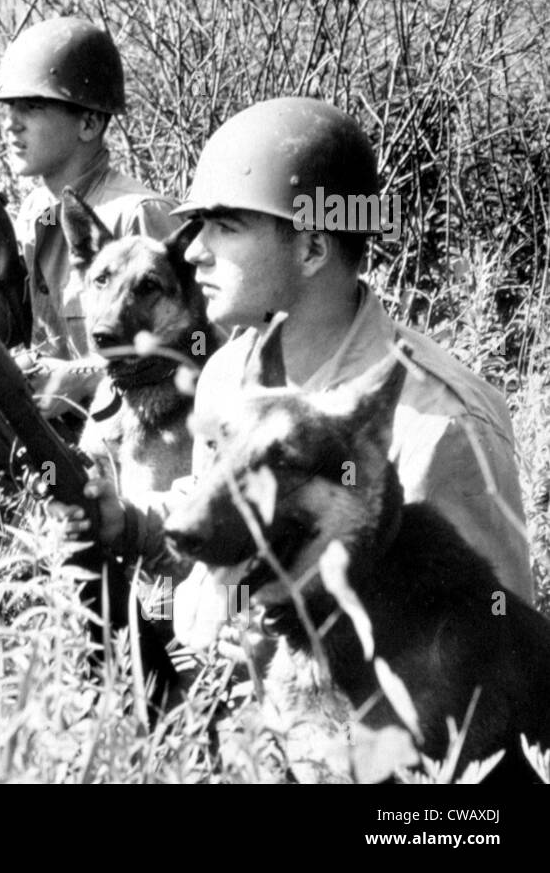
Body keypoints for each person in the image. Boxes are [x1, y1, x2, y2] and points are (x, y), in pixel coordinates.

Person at [59, 96, 532, 621]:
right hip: (214, 677)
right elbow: (220, 496)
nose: (194, 252)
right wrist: (125, 522)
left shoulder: (440, 426)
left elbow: (499, 633)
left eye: (225, 226)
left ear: (311, 249)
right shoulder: (228, 372)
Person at [0, 16, 179, 427]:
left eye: (32, 107)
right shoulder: (36, 212)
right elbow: (4, 332)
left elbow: (202, 348)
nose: (11, 123)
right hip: (59, 441)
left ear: (89, 123)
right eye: (8, 108)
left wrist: (85, 379)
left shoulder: (137, 214)